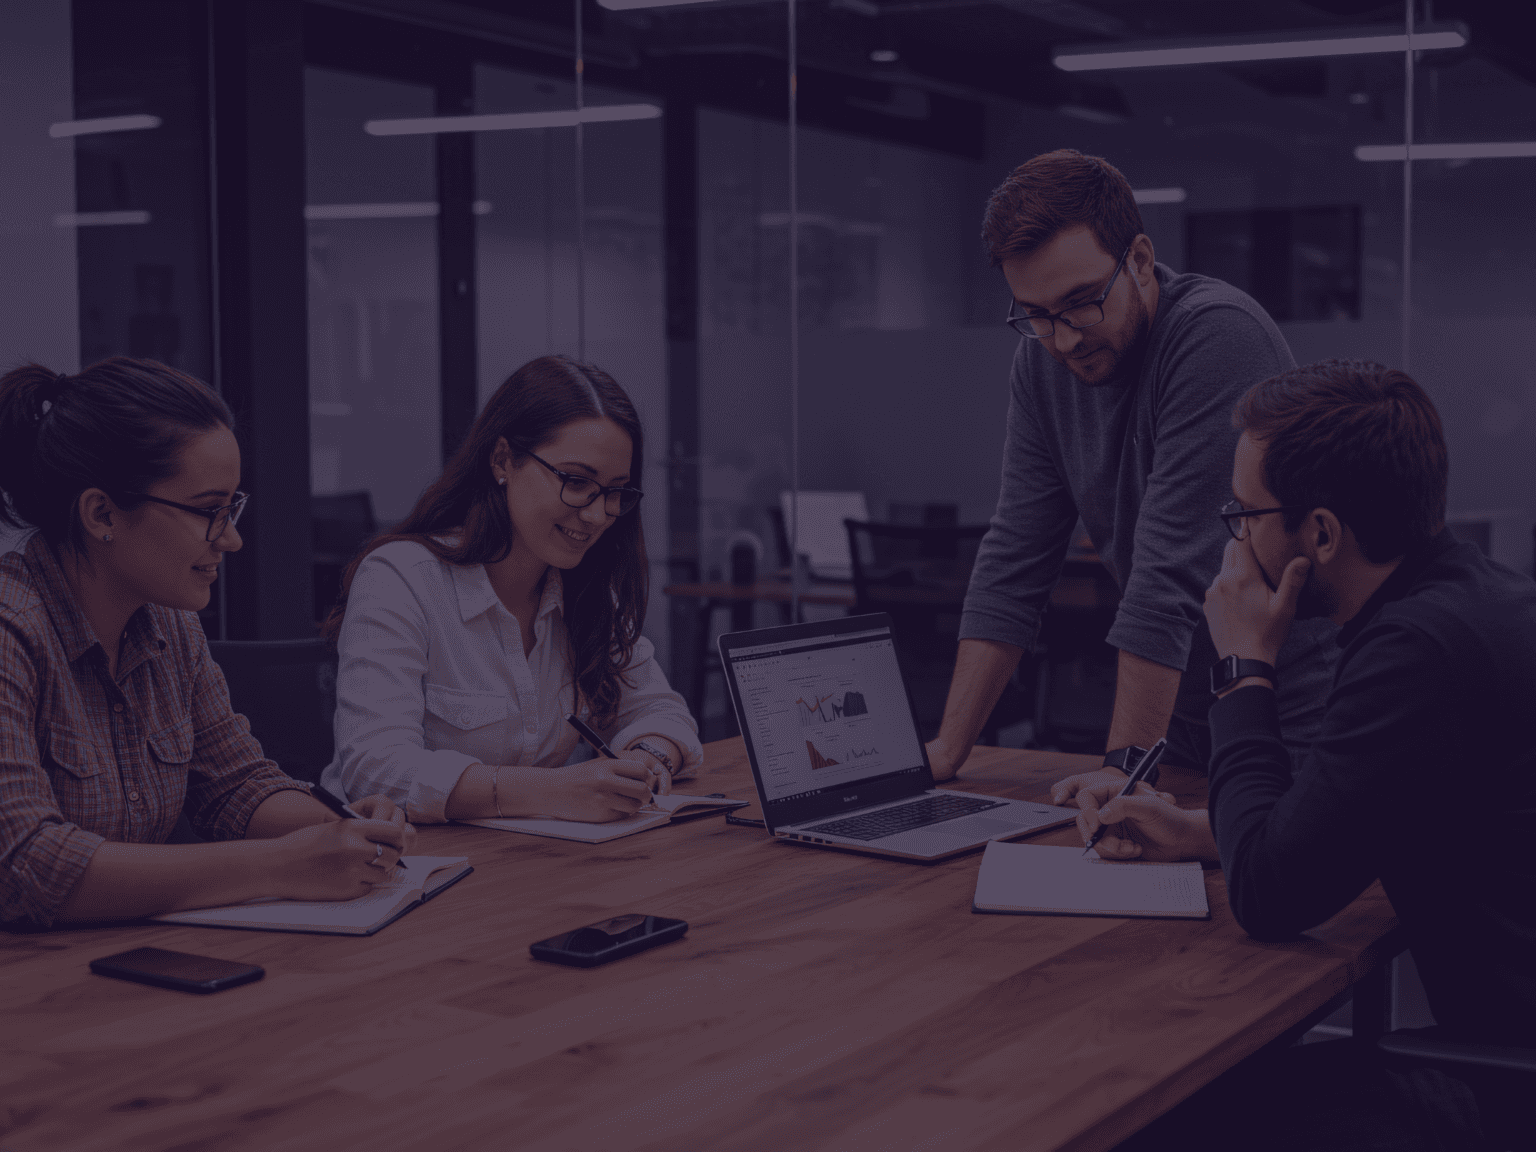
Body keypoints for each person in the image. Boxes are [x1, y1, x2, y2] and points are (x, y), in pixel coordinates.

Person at [1085, 359, 1535, 1152]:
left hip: (1505, 1084)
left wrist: (1242, 666)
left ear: (1321, 534)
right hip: (1504, 1048)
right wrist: (1202, 833)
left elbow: (1270, 896)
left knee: (1151, 1116)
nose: (1235, 542)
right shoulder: (1478, 602)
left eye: (1244, 515)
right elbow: (1351, 813)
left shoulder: (1414, 654)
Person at [926, 148, 1336, 798]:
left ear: (1140, 261)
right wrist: (948, 750)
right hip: (1183, 720)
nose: (1064, 339)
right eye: (1036, 314)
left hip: (1294, 719)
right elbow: (1014, 558)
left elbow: (1167, 575)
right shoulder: (1042, 365)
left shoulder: (1216, 336)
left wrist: (1123, 772)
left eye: (1081, 302)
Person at [0, 357, 413, 927]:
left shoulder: (168, 624)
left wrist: (335, 826)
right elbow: (27, 865)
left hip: (128, 955)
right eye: (208, 511)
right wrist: (282, 864)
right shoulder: (12, 631)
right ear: (102, 513)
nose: (233, 538)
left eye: (231, 508)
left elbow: (236, 786)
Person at [319, 354, 701, 825]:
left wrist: (647, 759)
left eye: (615, 491)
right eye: (576, 481)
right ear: (503, 460)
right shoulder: (401, 579)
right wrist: (554, 790)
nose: (598, 514)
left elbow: (660, 710)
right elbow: (375, 771)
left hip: (532, 856)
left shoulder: (585, 588)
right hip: (407, 859)